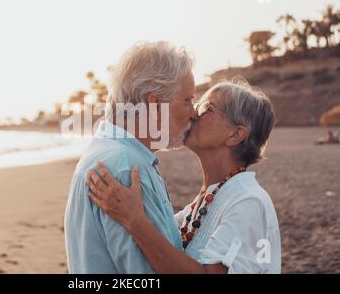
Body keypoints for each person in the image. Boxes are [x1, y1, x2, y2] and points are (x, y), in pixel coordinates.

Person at [87, 80, 282, 273]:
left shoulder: (248, 201)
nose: (193, 113)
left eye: (207, 108)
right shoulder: (207, 200)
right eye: (194, 104)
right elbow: (163, 239)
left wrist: (134, 220)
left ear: (234, 135)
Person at [64, 41, 197, 273]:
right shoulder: (125, 168)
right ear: (155, 103)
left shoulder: (108, 151)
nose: (193, 112)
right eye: (187, 100)